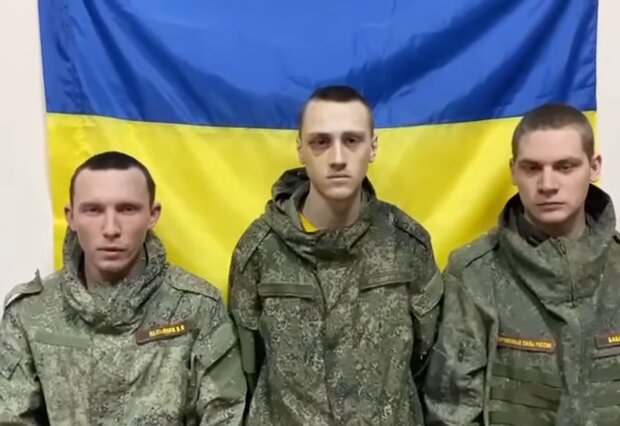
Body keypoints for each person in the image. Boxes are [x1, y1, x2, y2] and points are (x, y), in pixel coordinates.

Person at [228, 85, 443, 425]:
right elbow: (247, 364)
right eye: (321, 142)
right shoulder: (259, 249)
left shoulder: (407, 244)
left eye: (352, 140)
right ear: (300, 149)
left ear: (373, 147)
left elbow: (427, 358)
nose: (338, 157)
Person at [0, 151, 246, 425]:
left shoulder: (198, 307)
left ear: (152, 215)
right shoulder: (30, 312)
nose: (110, 228)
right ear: (71, 216)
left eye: (127, 209)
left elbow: (225, 413)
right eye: (93, 210)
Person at [424, 103, 620, 425]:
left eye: (565, 167)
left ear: (594, 167)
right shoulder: (475, 273)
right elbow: (452, 413)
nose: (547, 184)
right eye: (532, 168)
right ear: (513, 171)